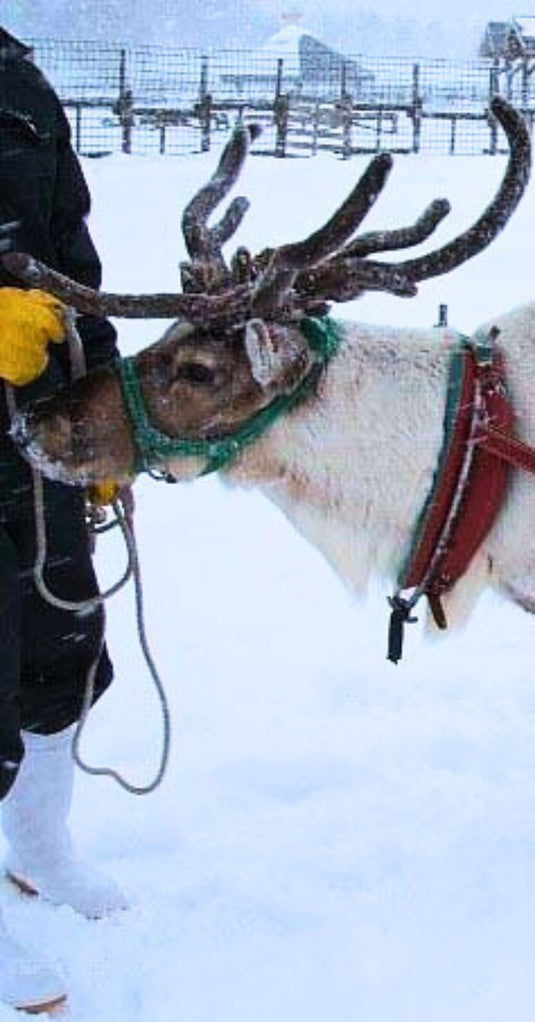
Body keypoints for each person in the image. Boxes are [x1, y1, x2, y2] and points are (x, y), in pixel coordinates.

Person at [1, 25, 127, 1014]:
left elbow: (69, 246)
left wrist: (100, 408)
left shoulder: (18, 79)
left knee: (63, 636)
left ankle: (39, 845)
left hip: (31, 414)